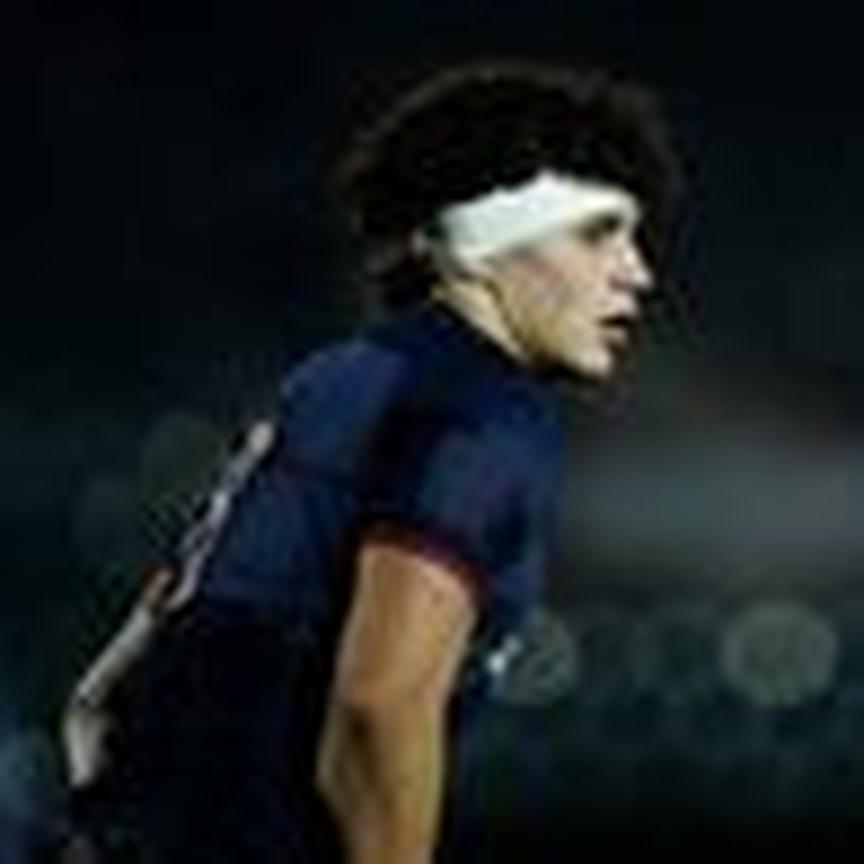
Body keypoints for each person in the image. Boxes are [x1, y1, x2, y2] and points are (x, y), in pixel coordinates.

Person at [59, 59, 682, 864]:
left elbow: (96, 703)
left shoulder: (331, 380)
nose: (638, 272)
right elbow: (378, 706)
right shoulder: (487, 412)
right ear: (476, 245)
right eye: (599, 233)